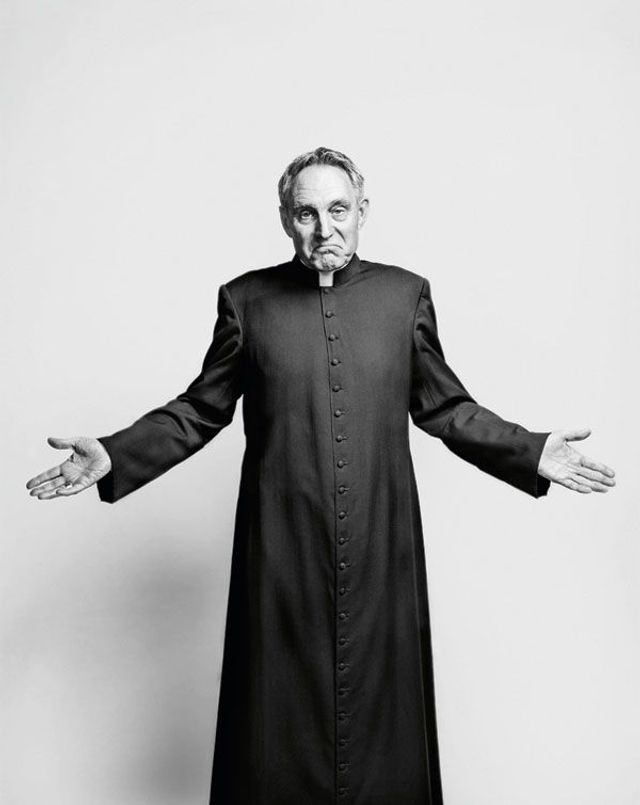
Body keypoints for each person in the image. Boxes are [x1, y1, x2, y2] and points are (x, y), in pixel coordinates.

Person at [26, 147, 616, 804]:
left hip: (380, 549)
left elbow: (446, 406)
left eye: (338, 209)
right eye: (306, 213)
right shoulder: (247, 302)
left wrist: (529, 450)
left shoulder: (403, 296)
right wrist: (115, 453)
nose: (324, 227)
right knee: (274, 735)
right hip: (281, 553)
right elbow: (201, 409)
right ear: (286, 218)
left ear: (363, 210)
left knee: (384, 736)